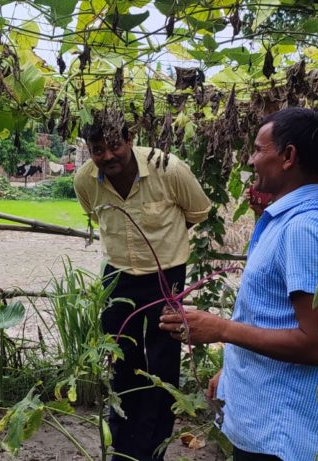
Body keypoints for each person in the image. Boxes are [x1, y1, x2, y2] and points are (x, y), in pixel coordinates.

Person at [159, 108, 318, 461]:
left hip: (279, 434)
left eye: (259, 150)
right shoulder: (287, 220)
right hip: (261, 418)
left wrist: (220, 329)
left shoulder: (304, 230)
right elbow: (273, 315)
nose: (251, 160)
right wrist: (231, 369)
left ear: (288, 156)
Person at [72, 116, 212, 461]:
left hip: (166, 276)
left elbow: (198, 211)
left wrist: (166, 241)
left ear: (130, 138)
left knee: (163, 364)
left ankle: (154, 450)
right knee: (122, 361)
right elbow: (94, 214)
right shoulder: (85, 181)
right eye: (97, 150)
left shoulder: (168, 169)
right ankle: (124, 447)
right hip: (118, 277)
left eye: (114, 145)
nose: (107, 156)